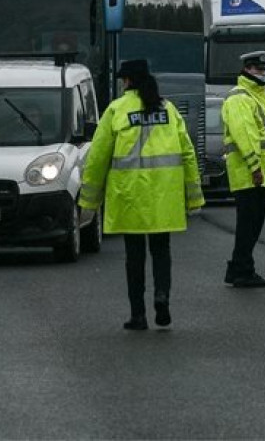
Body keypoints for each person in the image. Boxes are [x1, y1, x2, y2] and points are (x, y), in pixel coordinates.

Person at [79, 59, 204, 331]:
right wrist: (194, 197)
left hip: (129, 195)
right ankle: (162, 297)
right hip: (164, 195)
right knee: (161, 251)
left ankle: (138, 314)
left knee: (134, 256)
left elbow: (97, 159)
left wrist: (88, 202)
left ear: (126, 82)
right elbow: (187, 153)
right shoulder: (168, 109)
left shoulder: (116, 110)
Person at [222, 51, 265, 288]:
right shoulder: (240, 98)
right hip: (249, 174)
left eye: (264, 70)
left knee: (252, 225)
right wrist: (255, 168)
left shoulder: (257, 95)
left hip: (258, 174)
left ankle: (240, 268)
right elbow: (246, 136)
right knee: (248, 226)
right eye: (258, 70)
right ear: (247, 70)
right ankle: (241, 271)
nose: (263, 74)